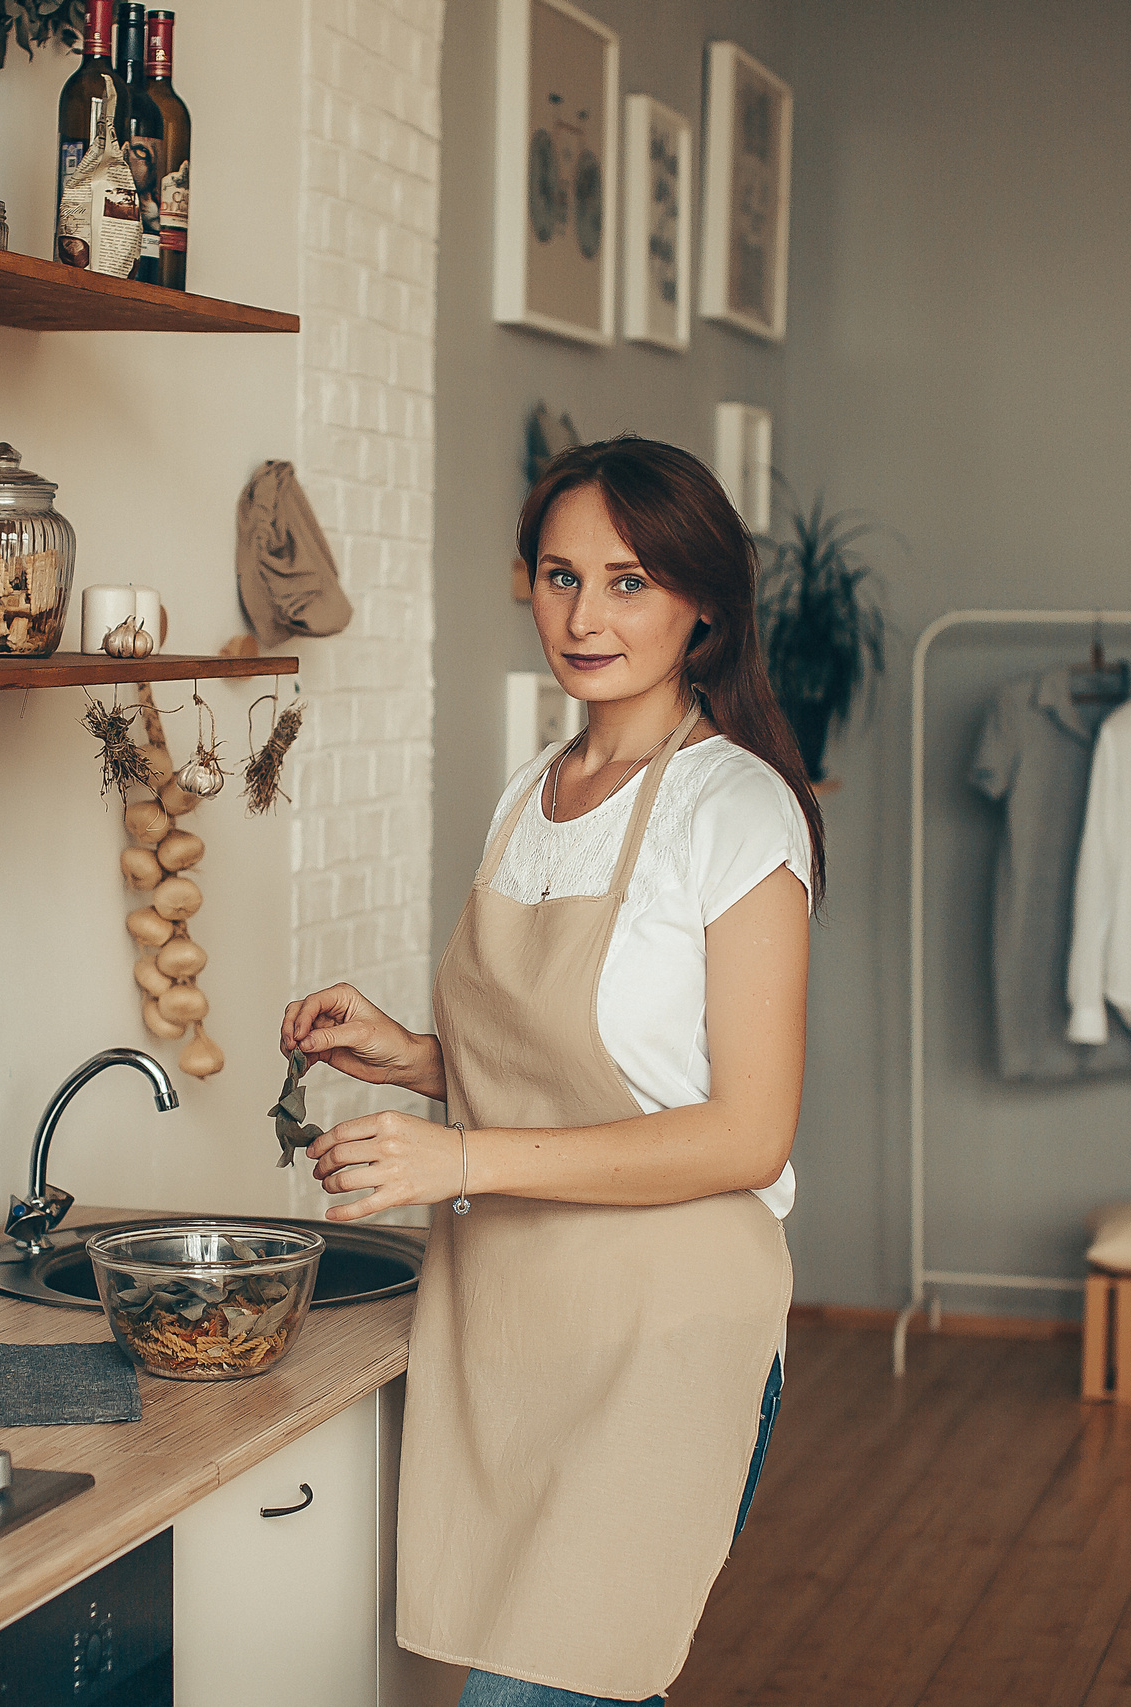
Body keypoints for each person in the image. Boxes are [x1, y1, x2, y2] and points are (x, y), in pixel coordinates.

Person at [280, 437, 823, 1706]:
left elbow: (745, 1133)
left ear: (703, 607)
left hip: (665, 1328)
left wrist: (456, 1156)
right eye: (561, 576)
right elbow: (585, 1078)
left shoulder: (734, 813)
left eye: (630, 582)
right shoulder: (534, 792)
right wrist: (414, 1058)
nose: (586, 616)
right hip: (510, 1326)